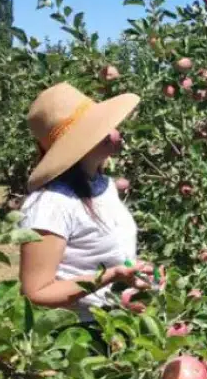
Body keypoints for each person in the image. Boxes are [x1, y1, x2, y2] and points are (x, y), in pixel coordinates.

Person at [18, 82, 156, 317]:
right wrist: (110, 276)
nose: (112, 130)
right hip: (76, 338)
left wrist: (135, 272)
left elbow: (102, 255)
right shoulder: (52, 204)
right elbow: (36, 293)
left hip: (116, 327)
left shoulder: (104, 185)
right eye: (97, 126)